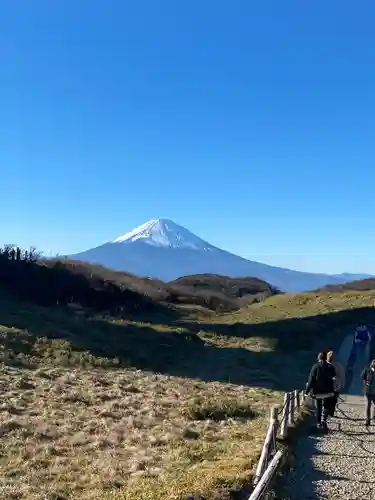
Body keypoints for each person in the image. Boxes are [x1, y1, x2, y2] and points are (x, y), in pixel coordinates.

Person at [305, 352, 336, 429]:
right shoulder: (330, 366)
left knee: (318, 407)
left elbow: (311, 379)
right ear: (326, 358)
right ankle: (324, 420)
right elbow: (334, 375)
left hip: (318, 390)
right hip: (328, 390)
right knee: (326, 406)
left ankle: (318, 422)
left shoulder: (315, 366)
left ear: (318, 358)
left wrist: (307, 390)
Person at [326, 350, 345, 417]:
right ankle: (331, 412)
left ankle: (327, 412)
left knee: (327, 399)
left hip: (327, 386)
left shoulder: (324, 365)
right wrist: (342, 384)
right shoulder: (339, 366)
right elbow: (342, 376)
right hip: (336, 386)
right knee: (333, 400)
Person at [361, 359, 375, 426]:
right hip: (368, 390)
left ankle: (374, 418)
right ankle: (367, 419)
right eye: (374, 362)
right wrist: (365, 384)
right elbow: (362, 377)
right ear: (372, 363)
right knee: (368, 405)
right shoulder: (367, 370)